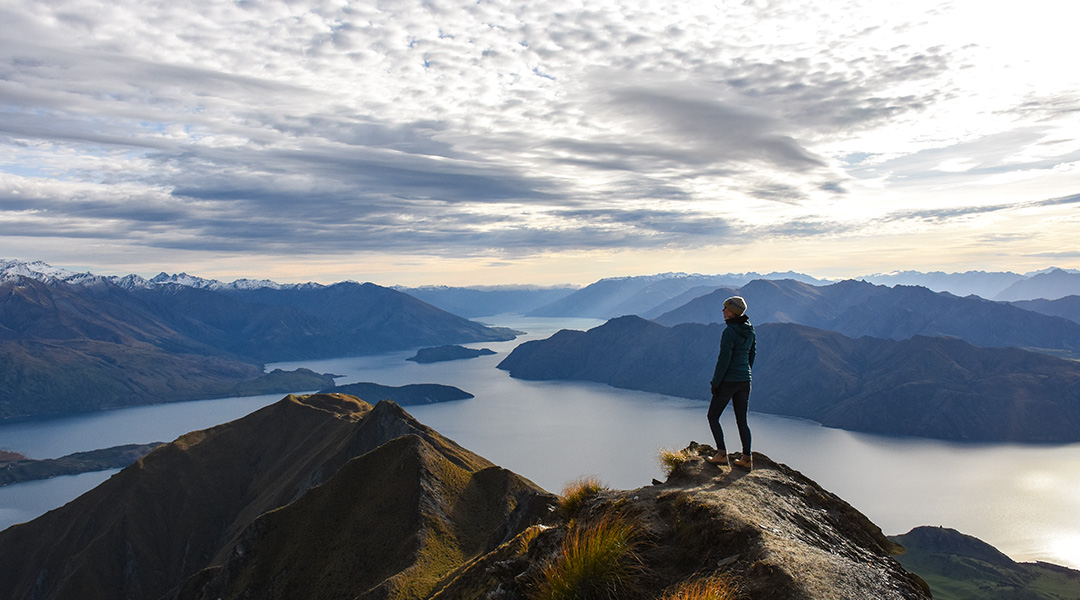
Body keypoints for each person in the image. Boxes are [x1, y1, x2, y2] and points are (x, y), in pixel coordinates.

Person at [706, 295, 756, 470]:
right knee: (742, 421)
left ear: (733, 312)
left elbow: (724, 360)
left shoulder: (729, 332)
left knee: (712, 416)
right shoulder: (750, 329)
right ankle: (747, 458)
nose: (723, 310)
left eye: (726, 308)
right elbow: (752, 354)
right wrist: (745, 371)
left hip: (728, 380)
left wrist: (716, 382)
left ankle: (721, 454)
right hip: (745, 380)